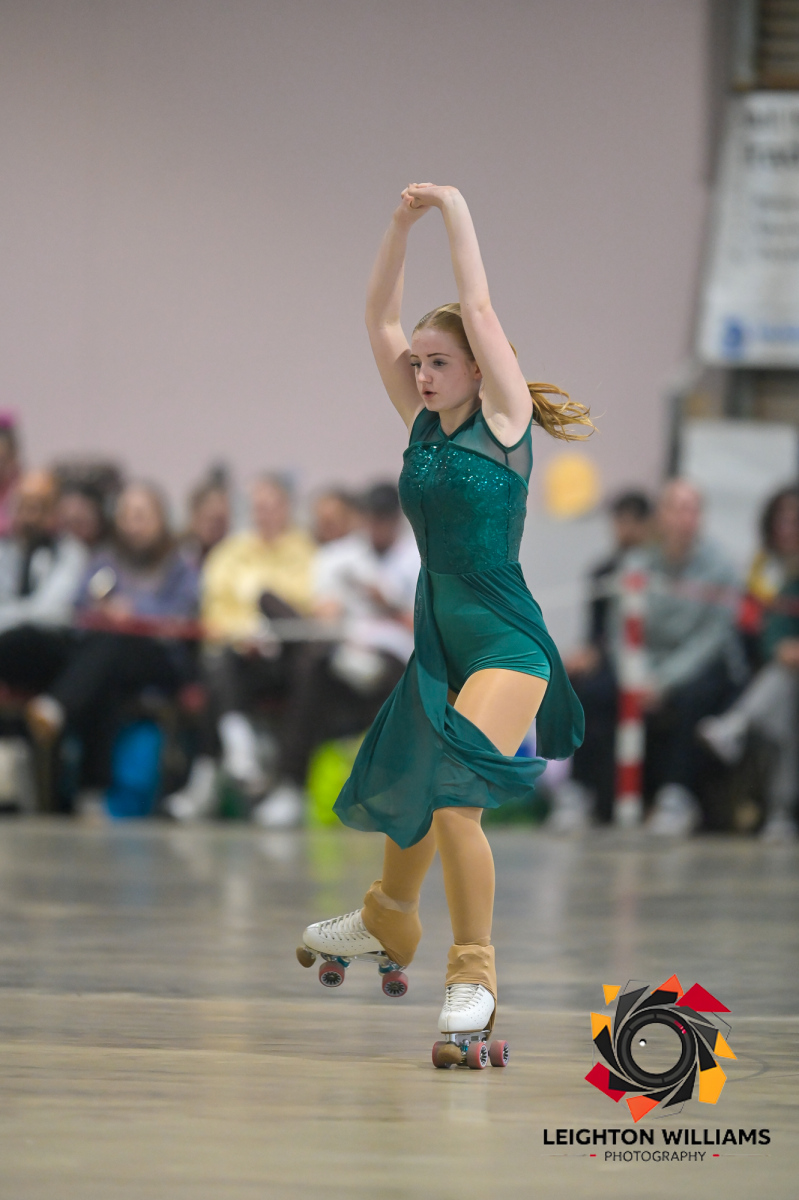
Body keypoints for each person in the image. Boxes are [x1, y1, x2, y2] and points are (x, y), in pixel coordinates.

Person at [297, 183, 588, 1059]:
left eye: (439, 362)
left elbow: (481, 308)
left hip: (504, 643)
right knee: (413, 777)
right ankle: (388, 918)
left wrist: (454, 209)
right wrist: (396, 225)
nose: (422, 375)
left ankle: (475, 975)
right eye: (418, 363)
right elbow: (376, 317)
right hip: (439, 641)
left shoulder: (503, 424)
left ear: (479, 369)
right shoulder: (421, 426)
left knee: (456, 800)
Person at [251, 481, 419, 828]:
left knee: (311, 661)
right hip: (338, 645)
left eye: (385, 519)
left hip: (391, 660)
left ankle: (290, 783)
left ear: (398, 519)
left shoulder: (418, 560)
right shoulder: (338, 557)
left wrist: (385, 603)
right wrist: (330, 615)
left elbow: (427, 628)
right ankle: (290, 787)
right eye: (372, 518)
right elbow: (322, 611)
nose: (377, 527)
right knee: (302, 643)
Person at [23, 482, 199, 805]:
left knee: (108, 649)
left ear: (161, 519)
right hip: (107, 656)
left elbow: (181, 616)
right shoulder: (104, 560)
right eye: (126, 516)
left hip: (158, 656)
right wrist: (101, 611)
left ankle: (56, 707)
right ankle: (90, 790)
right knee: (98, 666)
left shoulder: (180, 565)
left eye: (141, 516)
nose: (133, 525)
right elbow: (77, 608)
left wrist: (133, 612)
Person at [612, 480, 744, 836]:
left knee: (693, 696)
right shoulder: (636, 563)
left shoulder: (722, 567)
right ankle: (587, 794)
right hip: (645, 666)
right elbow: (620, 630)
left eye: (692, 509)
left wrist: (662, 681)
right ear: (660, 516)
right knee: (596, 689)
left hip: (701, 668)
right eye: (676, 508)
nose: (685, 517)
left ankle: (676, 797)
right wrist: (636, 678)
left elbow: (711, 639)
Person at [196, 475, 316, 799]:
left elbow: (308, 607)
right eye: (258, 507)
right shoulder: (228, 553)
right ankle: (238, 747)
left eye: (272, 506)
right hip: (242, 655)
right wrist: (245, 635)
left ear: (287, 508)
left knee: (310, 670)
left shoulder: (307, 552)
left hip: (289, 658)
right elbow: (214, 611)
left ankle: (282, 784)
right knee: (217, 662)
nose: (265, 514)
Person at [548, 491, 653, 830]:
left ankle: (607, 796)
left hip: (645, 661)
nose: (625, 529)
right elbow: (595, 632)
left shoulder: (655, 570)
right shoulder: (602, 571)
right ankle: (576, 789)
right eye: (620, 521)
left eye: (633, 521)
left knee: (599, 694)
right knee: (573, 686)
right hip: (609, 658)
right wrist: (585, 653)